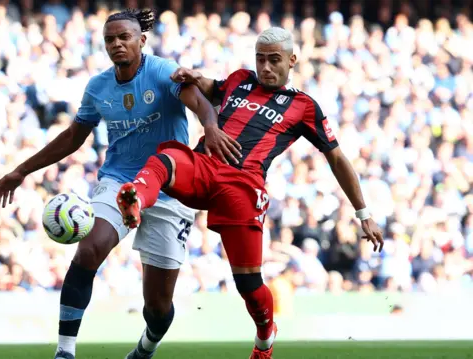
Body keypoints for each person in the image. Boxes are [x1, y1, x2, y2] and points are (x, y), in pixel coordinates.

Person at [116, 27, 385, 359]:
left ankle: (265, 337)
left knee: (248, 284)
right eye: (261, 59)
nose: (266, 67)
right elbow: (212, 88)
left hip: (243, 187)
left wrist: (364, 214)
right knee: (166, 159)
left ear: (292, 60)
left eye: (274, 60)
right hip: (204, 164)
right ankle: (135, 199)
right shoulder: (240, 79)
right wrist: (193, 77)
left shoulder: (304, 106)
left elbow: (337, 158)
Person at [0, 9, 239, 359]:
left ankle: (145, 348)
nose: (117, 44)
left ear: (142, 40)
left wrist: (211, 126)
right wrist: (22, 170)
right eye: (110, 39)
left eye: (124, 37)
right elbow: (73, 137)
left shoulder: (162, 71)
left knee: (156, 306)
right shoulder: (98, 87)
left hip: (171, 189)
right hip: (120, 182)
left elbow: (199, 103)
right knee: (90, 248)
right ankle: (64, 351)